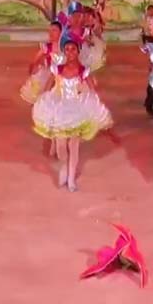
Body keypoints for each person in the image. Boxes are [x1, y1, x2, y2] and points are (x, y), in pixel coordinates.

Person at [31, 37, 112, 192]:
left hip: (76, 109)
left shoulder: (83, 71)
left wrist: (92, 105)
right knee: (61, 146)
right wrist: (43, 100)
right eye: (67, 49)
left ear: (78, 51)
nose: (70, 52)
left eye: (73, 49)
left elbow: (92, 91)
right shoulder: (57, 69)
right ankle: (64, 167)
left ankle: (71, 179)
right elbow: (48, 87)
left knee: (73, 146)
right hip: (60, 108)